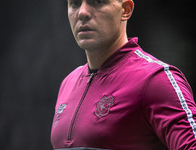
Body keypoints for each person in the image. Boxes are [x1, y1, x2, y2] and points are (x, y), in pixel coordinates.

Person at [51, 0, 196, 149]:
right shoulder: (68, 83)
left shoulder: (156, 79)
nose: (82, 12)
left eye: (97, 2)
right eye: (74, 3)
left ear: (126, 10)